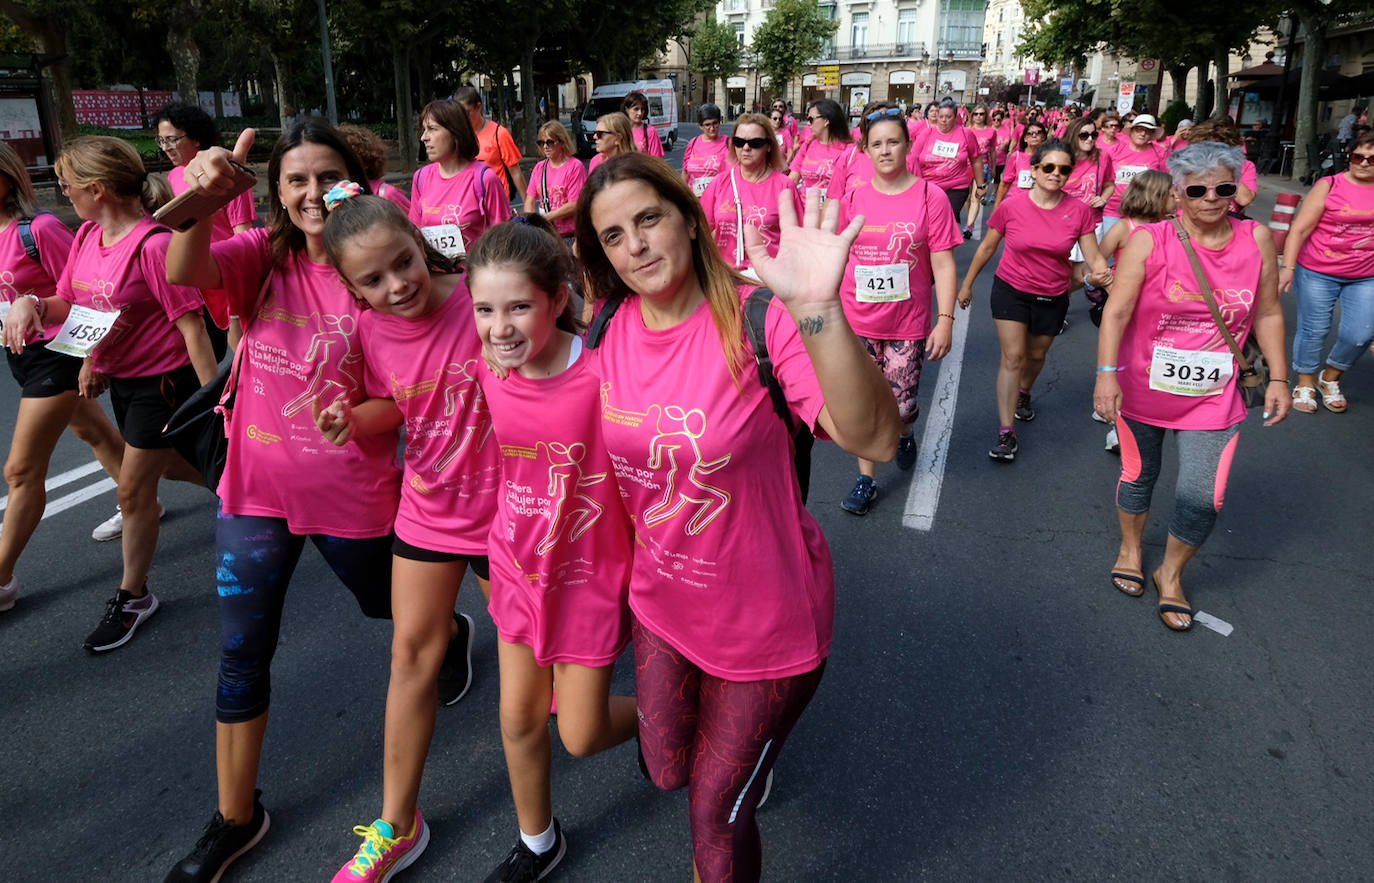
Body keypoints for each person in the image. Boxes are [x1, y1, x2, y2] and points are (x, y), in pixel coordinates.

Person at [575, 152, 900, 882]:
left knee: (715, 814)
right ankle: (743, 757)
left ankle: (748, 763)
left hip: (767, 622)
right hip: (661, 608)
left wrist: (819, 309)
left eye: (649, 218)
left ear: (689, 221)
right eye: (615, 235)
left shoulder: (758, 318)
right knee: (665, 770)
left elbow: (875, 437)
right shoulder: (604, 333)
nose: (637, 245)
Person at [160, 122, 405, 883]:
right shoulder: (258, 259)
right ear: (275, 193)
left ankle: (446, 633)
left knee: (386, 608)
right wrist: (203, 200)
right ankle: (237, 816)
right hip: (255, 491)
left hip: (354, 496)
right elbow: (181, 266)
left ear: (354, 181)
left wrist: (362, 417)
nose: (310, 193)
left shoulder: (385, 268)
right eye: (294, 180)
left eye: (326, 176)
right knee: (241, 654)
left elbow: (414, 386)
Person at [314, 185, 497, 882]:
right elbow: (391, 405)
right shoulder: (368, 331)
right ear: (350, 286)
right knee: (411, 656)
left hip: (511, 512)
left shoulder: (482, 293)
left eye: (403, 263)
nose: (397, 285)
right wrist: (351, 419)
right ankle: (397, 822)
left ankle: (685, 728)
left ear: (419, 243)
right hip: (428, 508)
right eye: (373, 279)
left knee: (545, 691)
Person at [466, 216, 637, 883]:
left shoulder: (602, 374)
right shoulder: (489, 368)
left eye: (518, 307)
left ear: (557, 299)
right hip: (515, 568)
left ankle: (679, 717)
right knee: (517, 718)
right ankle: (538, 840)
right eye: (485, 309)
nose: (499, 326)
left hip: (590, 579)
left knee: (583, 733)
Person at [3, 136, 217, 649]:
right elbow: (76, 305)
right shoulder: (86, 239)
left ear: (96, 189)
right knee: (174, 468)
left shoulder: (155, 244)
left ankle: (134, 595)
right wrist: (32, 304)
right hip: (124, 381)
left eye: (69, 185)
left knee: (133, 489)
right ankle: (255, 491)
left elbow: (193, 329)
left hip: (164, 383)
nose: (64, 193)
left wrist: (217, 403)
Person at [1093, 142, 1291, 629]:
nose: (1210, 197)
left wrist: (1281, 378)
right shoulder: (1149, 241)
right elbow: (1115, 313)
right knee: (1140, 476)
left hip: (1215, 394)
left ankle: (1172, 572)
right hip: (1144, 386)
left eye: (1223, 188)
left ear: (1237, 192)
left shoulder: (1257, 239)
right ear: (1178, 192)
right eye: (1197, 189)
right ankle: (1131, 548)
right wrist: (1105, 375)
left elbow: (1267, 310)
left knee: (1206, 496)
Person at [0, 141, 127, 612]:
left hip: (56, 353)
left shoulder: (40, 229)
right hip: (18, 356)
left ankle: (2, 580)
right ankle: (166, 496)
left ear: (8, 178)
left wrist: (88, 357)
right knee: (96, 433)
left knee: (21, 470)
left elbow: (81, 294)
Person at [833, 105, 962, 515]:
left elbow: (942, 262)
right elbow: (839, 257)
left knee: (902, 406)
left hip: (908, 322)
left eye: (893, 142)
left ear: (908, 145)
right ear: (865, 151)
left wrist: (945, 321)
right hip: (858, 320)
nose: (885, 150)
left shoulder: (931, 196)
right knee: (863, 405)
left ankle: (905, 432)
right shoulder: (853, 197)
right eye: (877, 144)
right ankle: (866, 479)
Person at [957, 139, 1114, 461]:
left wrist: (1103, 277)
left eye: (1064, 169)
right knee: (1013, 357)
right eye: (1049, 167)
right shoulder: (1012, 206)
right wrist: (967, 284)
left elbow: (1094, 257)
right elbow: (987, 247)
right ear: (1035, 169)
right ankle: (1005, 432)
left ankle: (1024, 393)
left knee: (1036, 355)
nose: (1056, 174)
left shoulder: (1079, 211)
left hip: (1053, 294)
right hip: (1011, 290)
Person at [1280, 132, 1374, 414]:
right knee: (1314, 330)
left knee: (1360, 334)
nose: (1364, 163)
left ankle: (1330, 378)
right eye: (1358, 157)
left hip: (1365, 273)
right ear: (1350, 157)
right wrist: (1288, 267)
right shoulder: (1329, 184)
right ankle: (1305, 382)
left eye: (1372, 159)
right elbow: (1300, 228)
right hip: (1318, 269)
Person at [1091, 169, 1177, 453]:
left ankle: (1146, 411)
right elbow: (1094, 264)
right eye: (1171, 194)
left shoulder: (1173, 227)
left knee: (1149, 366)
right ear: (1156, 197)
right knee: (1125, 365)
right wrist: (1105, 281)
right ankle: (1117, 424)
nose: (1177, 198)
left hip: (1159, 311)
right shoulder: (1123, 228)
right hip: (1125, 309)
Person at [699, 112, 802, 276]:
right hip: (727, 279)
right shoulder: (719, 183)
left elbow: (798, 241)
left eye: (754, 143)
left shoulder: (785, 186)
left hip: (769, 281)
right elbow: (702, 233)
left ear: (768, 145)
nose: (745, 148)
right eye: (739, 142)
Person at [410, 99, 512, 257]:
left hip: (472, 279)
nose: (424, 137)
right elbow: (415, 235)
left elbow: (503, 241)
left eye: (432, 129)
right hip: (434, 279)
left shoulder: (485, 179)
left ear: (455, 132)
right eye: (424, 129)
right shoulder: (420, 178)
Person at [909, 99, 986, 234]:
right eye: (941, 117)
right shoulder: (927, 134)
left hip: (955, 188)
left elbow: (976, 160)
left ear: (955, 117)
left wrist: (980, 186)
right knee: (927, 224)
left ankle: (944, 250)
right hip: (928, 186)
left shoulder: (965, 134)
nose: (944, 120)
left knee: (943, 224)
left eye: (948, 117)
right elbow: (912, 159)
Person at [454, 85, 528, 199]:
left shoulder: (499, 134)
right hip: (468, 205)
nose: (462, 118)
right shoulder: (457, 136)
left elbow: (516, 172)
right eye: (459, 114)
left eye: (467, 113)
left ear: (479, 107)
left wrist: (528, 206)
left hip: (497, 205)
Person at [1103, 114, 1169, 237]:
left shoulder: (1160, 153)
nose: (1142, 134)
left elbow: (1166, 182)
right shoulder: (1115, 150)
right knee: (1109, 252)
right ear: (1132, 131)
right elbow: (1103, 178)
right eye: (1139, 130)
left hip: (1145, 211)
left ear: (1152, 134)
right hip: (1113, 209)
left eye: (1147, 131)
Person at [524, 120, 587, 242]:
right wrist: (531, 220)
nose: (545, 147)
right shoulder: (539, 168)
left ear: (562, 142)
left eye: (550, 142)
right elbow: (529, 201)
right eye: (541, 143)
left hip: (570, 235)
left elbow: (575, 204)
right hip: (547, 235)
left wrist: (545, 218)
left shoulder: (575, 167)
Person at [338, 123, 411, 215]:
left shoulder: (386, 194)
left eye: (348, 159)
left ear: (366, 162)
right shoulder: (333, 198)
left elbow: (414, 224)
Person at [789, 98, 851, 200]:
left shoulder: (849, 150)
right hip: (805, 210)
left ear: (826, 121)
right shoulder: (808, 145)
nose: (808, 124)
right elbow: (792, 179)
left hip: (834, 211)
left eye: (811, 119)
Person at [992, 120, 1047, 211]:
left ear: (1043, 137)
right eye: (1030, 133)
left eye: (1038, 133)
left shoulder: (1048, 158)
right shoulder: (1016, 156)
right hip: (1016, 204)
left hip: (1038, 205)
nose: (1034, 135)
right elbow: (1005, 184)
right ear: (1025, 138)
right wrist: (996, 208)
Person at [681, 103, 730, 197]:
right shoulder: (693, 143)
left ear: (720, 122)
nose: (712, 128)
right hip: (695, 203)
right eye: (707, 125)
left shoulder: (729, 144)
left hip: (718, 202)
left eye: (715, 123)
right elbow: (685, 173)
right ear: (700, 126)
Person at [621, 91, 665, 158]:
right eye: (636, 109)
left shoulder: (650, 131)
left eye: (642, 109)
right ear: (626, 109)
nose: (640, 113)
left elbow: (656, 161)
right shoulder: (619, 130)